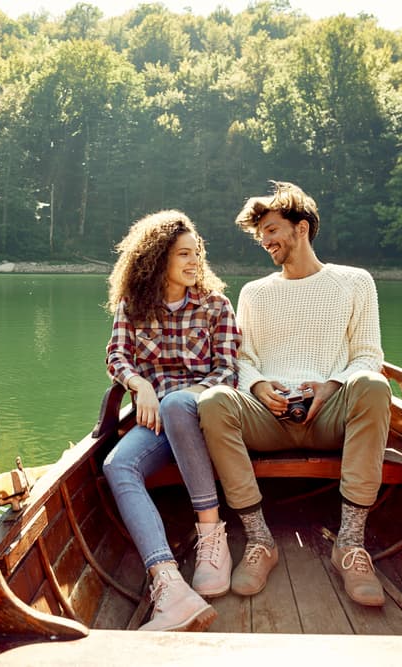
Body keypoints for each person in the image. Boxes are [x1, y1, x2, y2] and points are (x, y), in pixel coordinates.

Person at [197, 181, 391, 607]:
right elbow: (241, 359)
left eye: (271, 230)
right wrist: (260, 386)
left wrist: (331, 385)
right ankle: (259, 540)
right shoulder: (254, 292)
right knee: (212, 402)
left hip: (330, 416)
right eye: (261, 234)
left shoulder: (355, 282)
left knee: (374, 386)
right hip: (269, 418)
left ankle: (351, 544)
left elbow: (368, 356)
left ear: (301, 227)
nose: (265, 241)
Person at [102, 209, 240, 632]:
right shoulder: (134, 305)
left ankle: (212, 535)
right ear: (157, 258)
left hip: (204, 417)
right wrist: (138, 385)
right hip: (157, 418)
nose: (194, 261)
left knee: (179, 403)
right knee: (117, 465)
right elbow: (117, 356)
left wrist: (184, 396)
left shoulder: (216, 305)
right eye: (184, 253)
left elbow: (229, 371)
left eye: (197, 252)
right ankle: (169, 584)